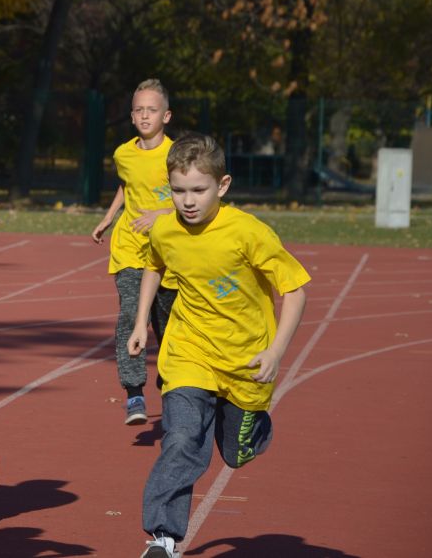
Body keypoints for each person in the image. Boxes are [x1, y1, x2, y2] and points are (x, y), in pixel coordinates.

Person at [128, 133, 310, 558]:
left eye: (198, 190)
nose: (188, 201)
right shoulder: (165, 229)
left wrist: (276, 352)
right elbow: (154, 265)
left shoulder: (248, 232)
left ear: (222, 185)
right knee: (182, 439)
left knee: (235, 453)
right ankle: (163, 536)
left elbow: (295, 290)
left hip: (246, 359)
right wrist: (140, 322)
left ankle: (254, 427)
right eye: (178, 191)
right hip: (188, 350)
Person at [91, 79, 178, 425]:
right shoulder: (123, 153)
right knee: (130, 315)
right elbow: (127, 184)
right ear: (131, 116)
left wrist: (160, 214)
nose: (145, 116)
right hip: (129, 248)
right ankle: (134, 392)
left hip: (167, 252)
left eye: (151, 110)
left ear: (166, 116)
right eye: (139, 110)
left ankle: (169, 378)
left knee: (166, 322)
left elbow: (188, 197)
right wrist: (109, 217)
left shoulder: (177, 155)